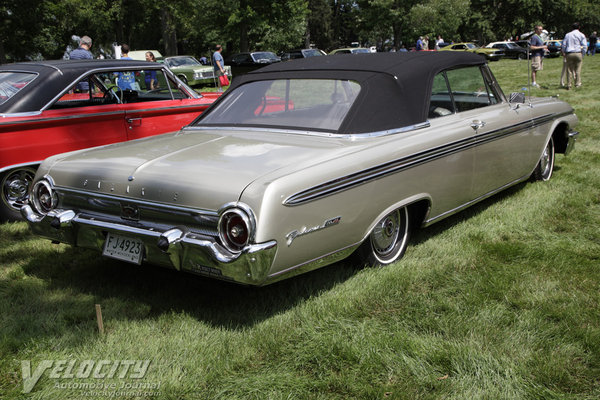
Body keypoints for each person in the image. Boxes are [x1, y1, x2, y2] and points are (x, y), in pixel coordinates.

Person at [562, 22, 587, 89]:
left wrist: (563, 52)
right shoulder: (581, 35)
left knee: (569, 70)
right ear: (579, 27)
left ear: (572, 28)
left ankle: (569, 85)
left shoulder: (567, 35)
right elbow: (584, 46)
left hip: (569, 53)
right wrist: (583, 54)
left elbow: (564, 45)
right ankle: (577, 84)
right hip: (578, 52)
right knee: (578, 69)